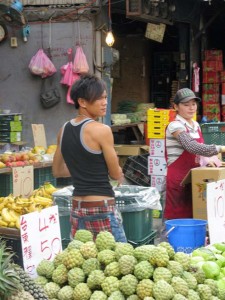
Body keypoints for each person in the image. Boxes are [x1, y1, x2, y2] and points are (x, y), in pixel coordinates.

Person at [52, 73, 127, 242]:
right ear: (82, 102)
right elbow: (115, 174)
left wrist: (83, 170)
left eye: (106, 97)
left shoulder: (63, 130)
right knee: (118, 263)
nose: (105, 102)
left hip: (77, 210)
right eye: (99, 98)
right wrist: (118, 171)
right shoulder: (102, 130)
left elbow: (57, 171)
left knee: (84, 265)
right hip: (102, 209)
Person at [164, 87, 225, 220]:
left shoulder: (196, 125)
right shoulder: (175, 126)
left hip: (194, 177)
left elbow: (201, 149)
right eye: (186, 105)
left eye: (193, 104)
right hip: (178, 180)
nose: (191, 108)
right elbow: (191, 146)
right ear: (176, 106)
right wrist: (220, 148)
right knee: (177, 218)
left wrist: (211, 161)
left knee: (194, 216)